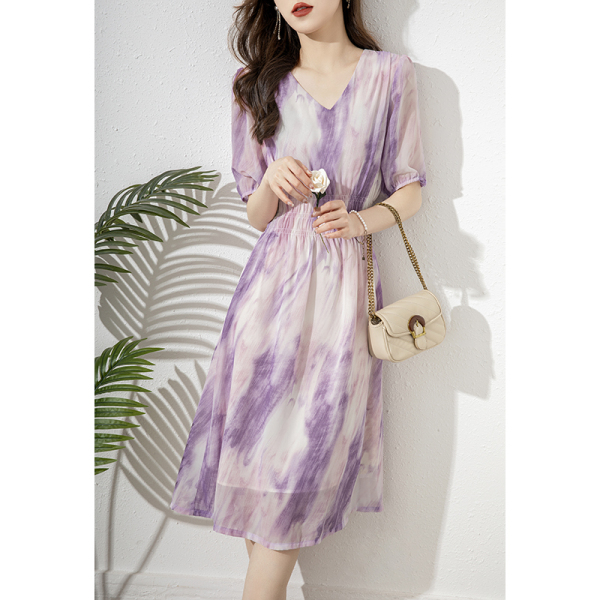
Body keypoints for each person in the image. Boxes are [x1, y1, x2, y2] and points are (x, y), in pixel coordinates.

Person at [170, 1, 427, 598]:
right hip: (265, 304)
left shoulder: (390, 74)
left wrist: (360, 221)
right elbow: (257, 215)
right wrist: (270, 181)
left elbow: (411, 187)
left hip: (339, 306)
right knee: (262, 485)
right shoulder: (255, 83)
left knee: (294, 482)